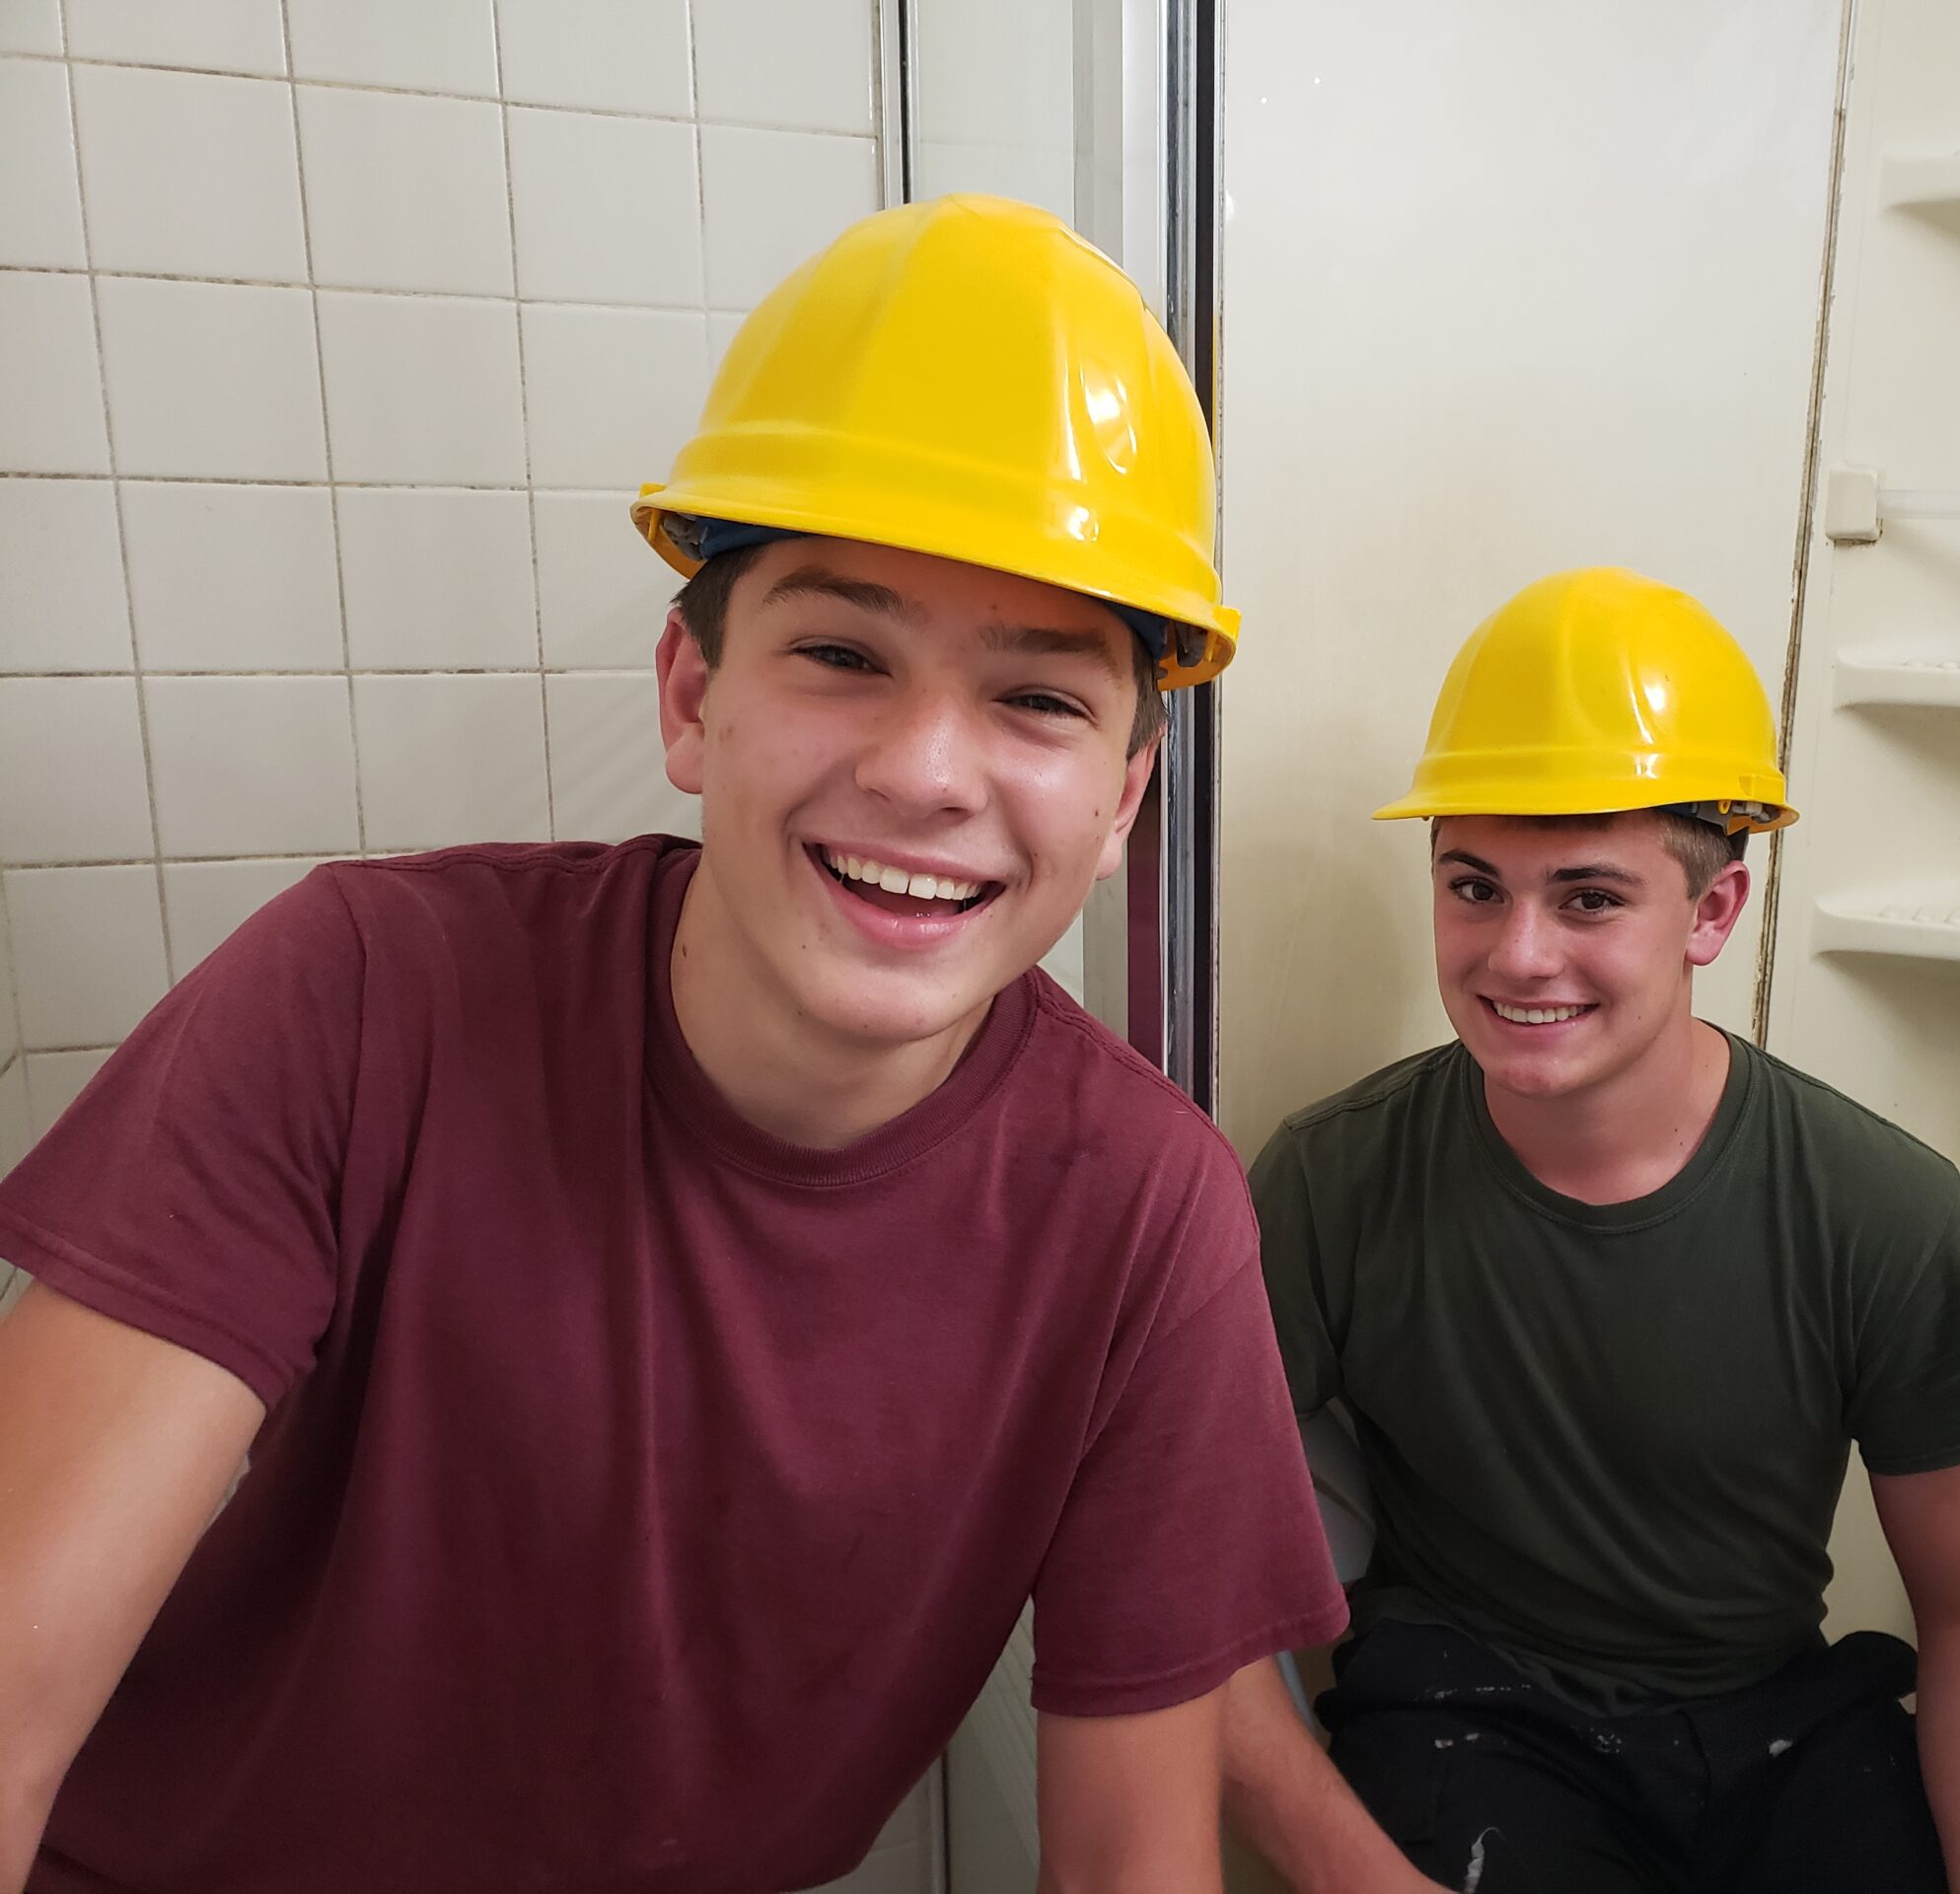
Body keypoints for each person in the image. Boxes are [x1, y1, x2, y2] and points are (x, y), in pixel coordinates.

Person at [0, 195, 1344, 1894]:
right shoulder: (358, 1001)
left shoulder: (1144, 1218)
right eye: (843, 655)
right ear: (691, 699)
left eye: (1040, 699)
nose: (931, 772)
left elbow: (1129, 1874)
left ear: (1124, 797)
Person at [1220, 568, 1960, 1894]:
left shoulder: (1876, 1207)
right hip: (1474, 1717)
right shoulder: (1333, 1180)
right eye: (1473, 886)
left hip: (1774, 1718)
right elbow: (1185, 1577)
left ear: (1713, 913)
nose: (1517, 954)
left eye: (1588, 898)